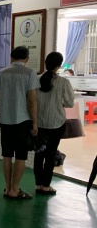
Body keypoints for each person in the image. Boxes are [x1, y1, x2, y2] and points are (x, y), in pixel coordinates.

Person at [0, 46, 40, 200]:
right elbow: (32, 100)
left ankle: (7, 188)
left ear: (11, 58)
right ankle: (15, 190)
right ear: (27, 58)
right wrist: (35, 123)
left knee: (7, 155)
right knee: (21, 155)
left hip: (5, 120)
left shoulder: (2, 73)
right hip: (22, 120)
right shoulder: (29, 73)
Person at [34, 52, 74, 195]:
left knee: (39, 155)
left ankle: (38, 185)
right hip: (56, 123)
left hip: (39, 123)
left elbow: (30, 100)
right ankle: (46, 186)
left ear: (45, 63)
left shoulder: (36, 80)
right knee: (50, 155)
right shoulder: (63, 82)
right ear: (59, 65)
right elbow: (69, 103)